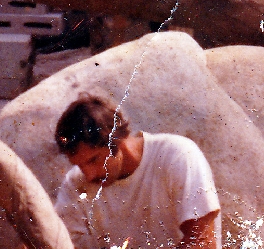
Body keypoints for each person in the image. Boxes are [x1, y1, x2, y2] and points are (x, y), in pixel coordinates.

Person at [53, 96, 221, 249]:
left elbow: (202, 241)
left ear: (117, 139)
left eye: (93, 160)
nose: (89, 175)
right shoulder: (75, 183)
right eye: (79, 165)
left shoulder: (176, 155)